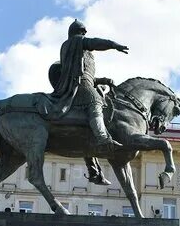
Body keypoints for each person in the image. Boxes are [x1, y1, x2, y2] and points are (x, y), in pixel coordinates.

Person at [45, 19, 129, 149]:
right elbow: (94, 42)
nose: (83, 35)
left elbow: (86, 75)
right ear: (78, 33)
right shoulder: (74, 42)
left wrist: (104, 80)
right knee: (95, 102)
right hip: (77, 85)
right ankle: (103, 138)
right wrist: (114, 45)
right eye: (82, 32)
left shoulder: (79, 50)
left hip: (83, 82)